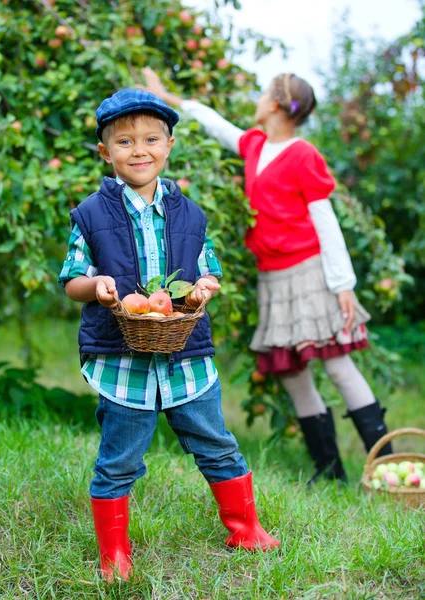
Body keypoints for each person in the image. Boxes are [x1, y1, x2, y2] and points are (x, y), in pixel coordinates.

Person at [58, 89, 280, 582]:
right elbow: (71, 278)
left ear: (170, 144)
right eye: (125, 141)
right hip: (123, 363)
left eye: (151, 139)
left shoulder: (191, 215)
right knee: (118, 461)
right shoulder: (90, 214)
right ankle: (115, 556)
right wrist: (96, 287)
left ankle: (245, 529)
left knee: (216, 444)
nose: (139, 150)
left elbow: (208, 272)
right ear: (105, 151)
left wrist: (202, 290)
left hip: (186, 360)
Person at [140, 67, 393, 485]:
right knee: (293, 373)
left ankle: (385, 469)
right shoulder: (256, 146)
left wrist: (342, 284)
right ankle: (329, 472)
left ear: (275, 104)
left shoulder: (303, 154)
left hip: (309, 272)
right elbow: (219, 127)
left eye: (262, 94)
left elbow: (324, 220)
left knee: (338, 366)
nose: (256, 100)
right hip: (274, 276)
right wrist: (172, 100)